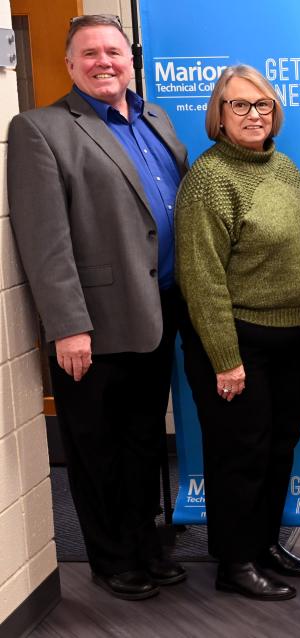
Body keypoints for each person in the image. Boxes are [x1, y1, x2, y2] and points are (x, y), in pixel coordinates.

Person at [7, 14, 188, 601]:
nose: (104, 61)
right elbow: (44, 240)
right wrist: (68, 327)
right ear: (70, 65)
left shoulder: (154, 118)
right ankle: (113, 559)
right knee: (96, 447)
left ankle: (145, 544)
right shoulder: (41, 129)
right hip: (93, 324)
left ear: (130, 59)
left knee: (141, 442)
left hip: (156, 311)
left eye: (113, 51)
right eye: (90, 53)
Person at [176, 65, 300, 601]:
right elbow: (201, 276)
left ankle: (262, 544)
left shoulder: (283, 166)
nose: (253, 114)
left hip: (294, 335)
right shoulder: (209, 178)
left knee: (278, 448)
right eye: (239, 105)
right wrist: (224, 358)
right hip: (238, 340)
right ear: (219, 114)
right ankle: (235, 562)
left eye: (262, 104)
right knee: (240, 453)